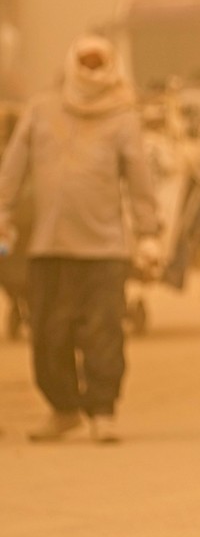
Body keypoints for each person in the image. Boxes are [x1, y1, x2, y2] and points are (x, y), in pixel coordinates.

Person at [0, 34, 162, 443]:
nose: (91, 71)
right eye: (85, 63)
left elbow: (140, 179)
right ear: (72, 64)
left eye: (98, 63)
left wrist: (147, 234)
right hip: (48, 246)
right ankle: (64, 409)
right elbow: (12, 170)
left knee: (102, 333)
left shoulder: (123, 117)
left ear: (110, 68)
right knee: (48, 334)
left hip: (104, 249)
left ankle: (103, 411)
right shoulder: (41, 110)